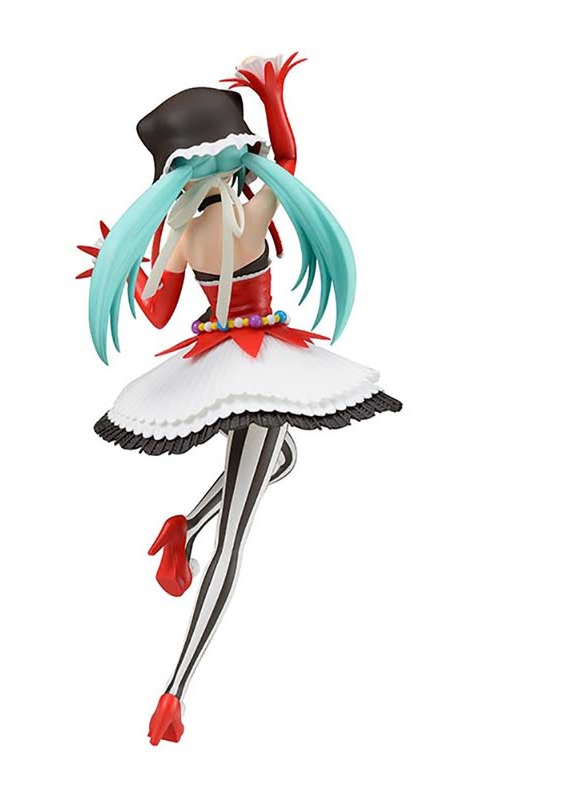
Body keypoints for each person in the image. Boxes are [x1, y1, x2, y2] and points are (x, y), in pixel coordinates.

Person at [78, 53, 402, 745]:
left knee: (281, 459)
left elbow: (156, 312)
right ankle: (174, 691)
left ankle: (181, 530)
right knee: (238, 535)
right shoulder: (250, 211)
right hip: (257, 363)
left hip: (219, 357)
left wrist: (126, 265)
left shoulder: (181, 235)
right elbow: (289, 161)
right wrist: (275, 98)